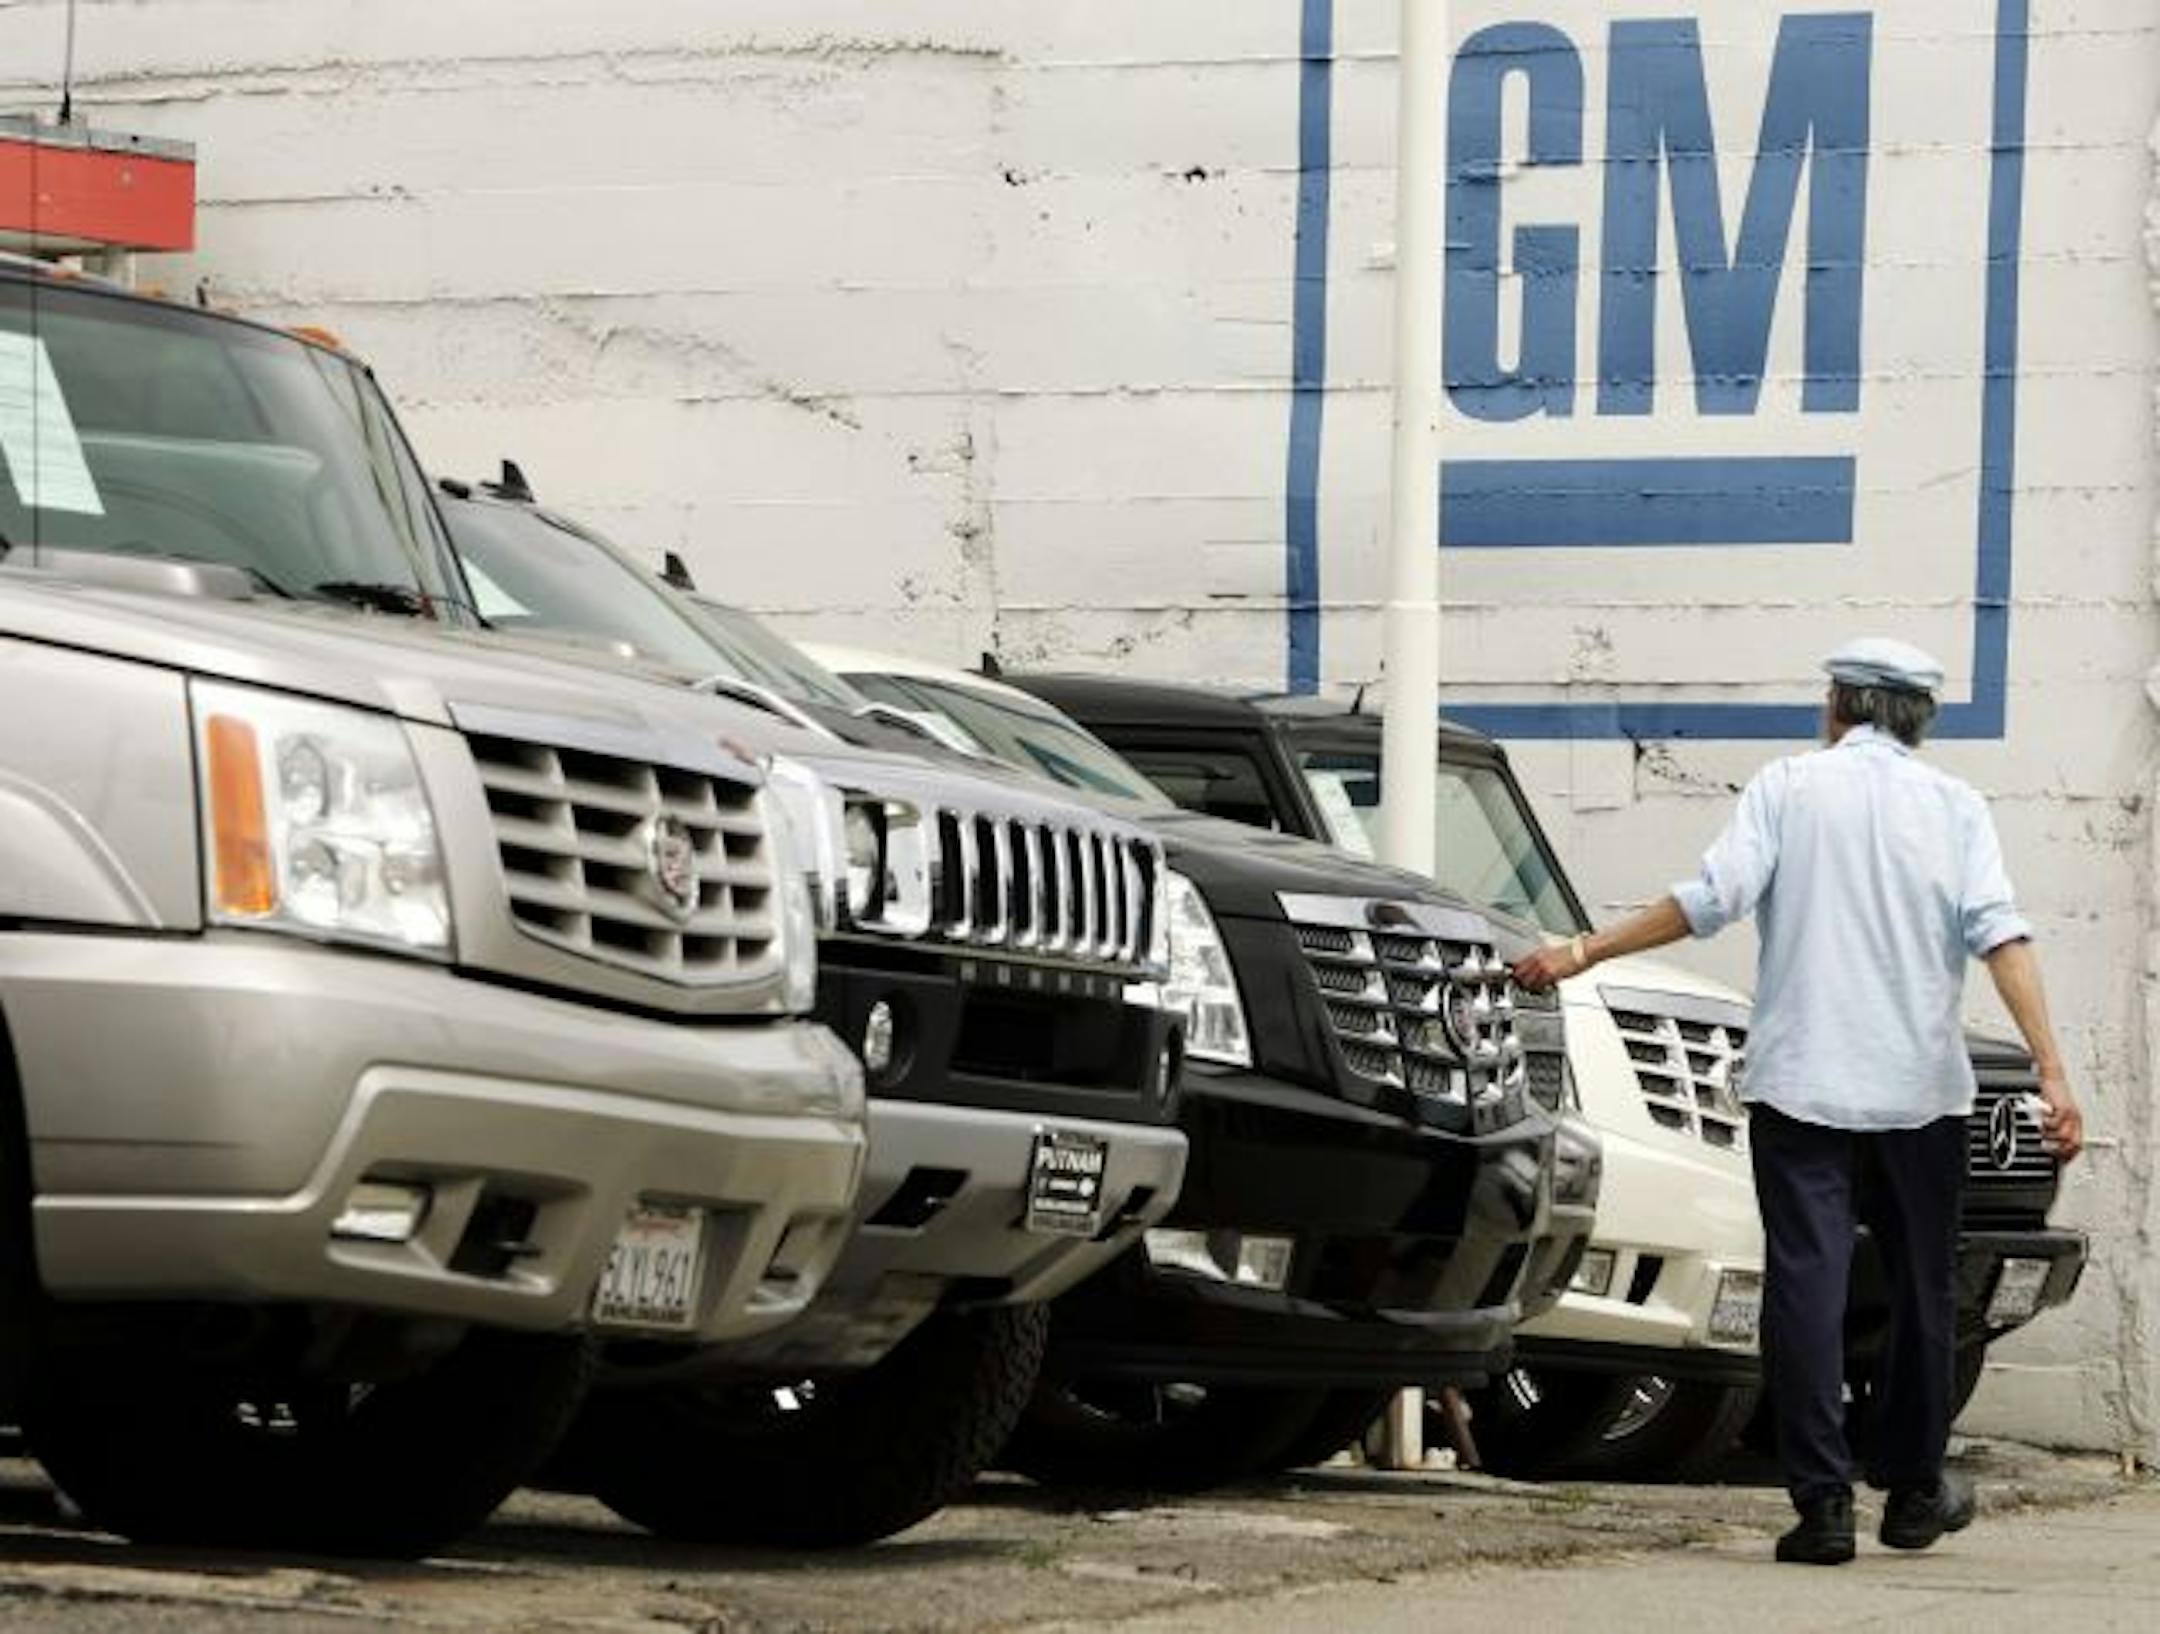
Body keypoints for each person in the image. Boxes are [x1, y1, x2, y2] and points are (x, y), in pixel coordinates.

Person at [1511, 637, 2084, 1566]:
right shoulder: (1956, 809)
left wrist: (1580, 953)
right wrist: (2053, 1072)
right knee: (1925, 1294)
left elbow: (1708, 901)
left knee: (1807, 1287)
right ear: (1919, 717)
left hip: (1804, 1085)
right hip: (1919, 1095)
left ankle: (1820, 1507)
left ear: (1839, 707)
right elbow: (2002, 938)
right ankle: (1911, 1489)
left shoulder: (1786, 789)